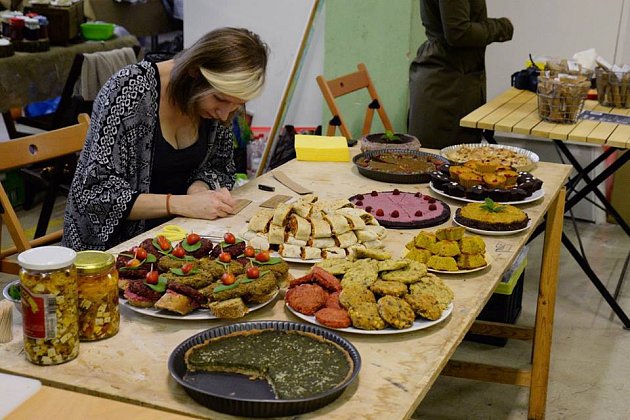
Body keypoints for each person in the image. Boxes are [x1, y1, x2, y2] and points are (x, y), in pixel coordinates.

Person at [62, 27, 269, 251]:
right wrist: (180, 204)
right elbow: (97, 195)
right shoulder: (128, 91)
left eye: (235, 106)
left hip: (179, 236)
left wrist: (199, 190)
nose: (224, 114)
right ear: (193, 72)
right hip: (112, 250)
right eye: (219, 99)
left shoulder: (219, 106)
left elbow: (219, 166)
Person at [408, 0, 513, 149]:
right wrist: (502, 27)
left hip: (452, 81)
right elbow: (458, 32)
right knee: (442, 164)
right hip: (447, 89)